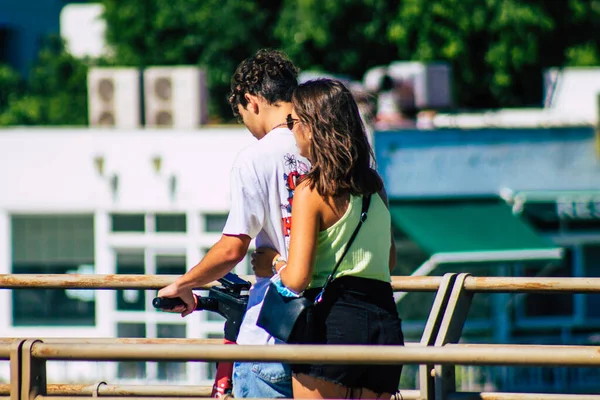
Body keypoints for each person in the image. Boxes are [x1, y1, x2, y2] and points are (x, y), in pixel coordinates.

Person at [157, 48, 309, 398]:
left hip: (273, 332)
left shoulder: (256, 157)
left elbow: (232, 248)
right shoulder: (327, 147)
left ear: (252, 101)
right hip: (329, 331)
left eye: (242, 116)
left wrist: (183, 284)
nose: (249, 130)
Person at [252, 79, 404, 399]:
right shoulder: (374, 186)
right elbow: (388, 261)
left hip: (331, 325)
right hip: (383, 325)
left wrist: (273, 261)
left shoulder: (311, 191)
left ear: (312, 127)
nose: (290, 130)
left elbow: (296, 278)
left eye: (293, 121)